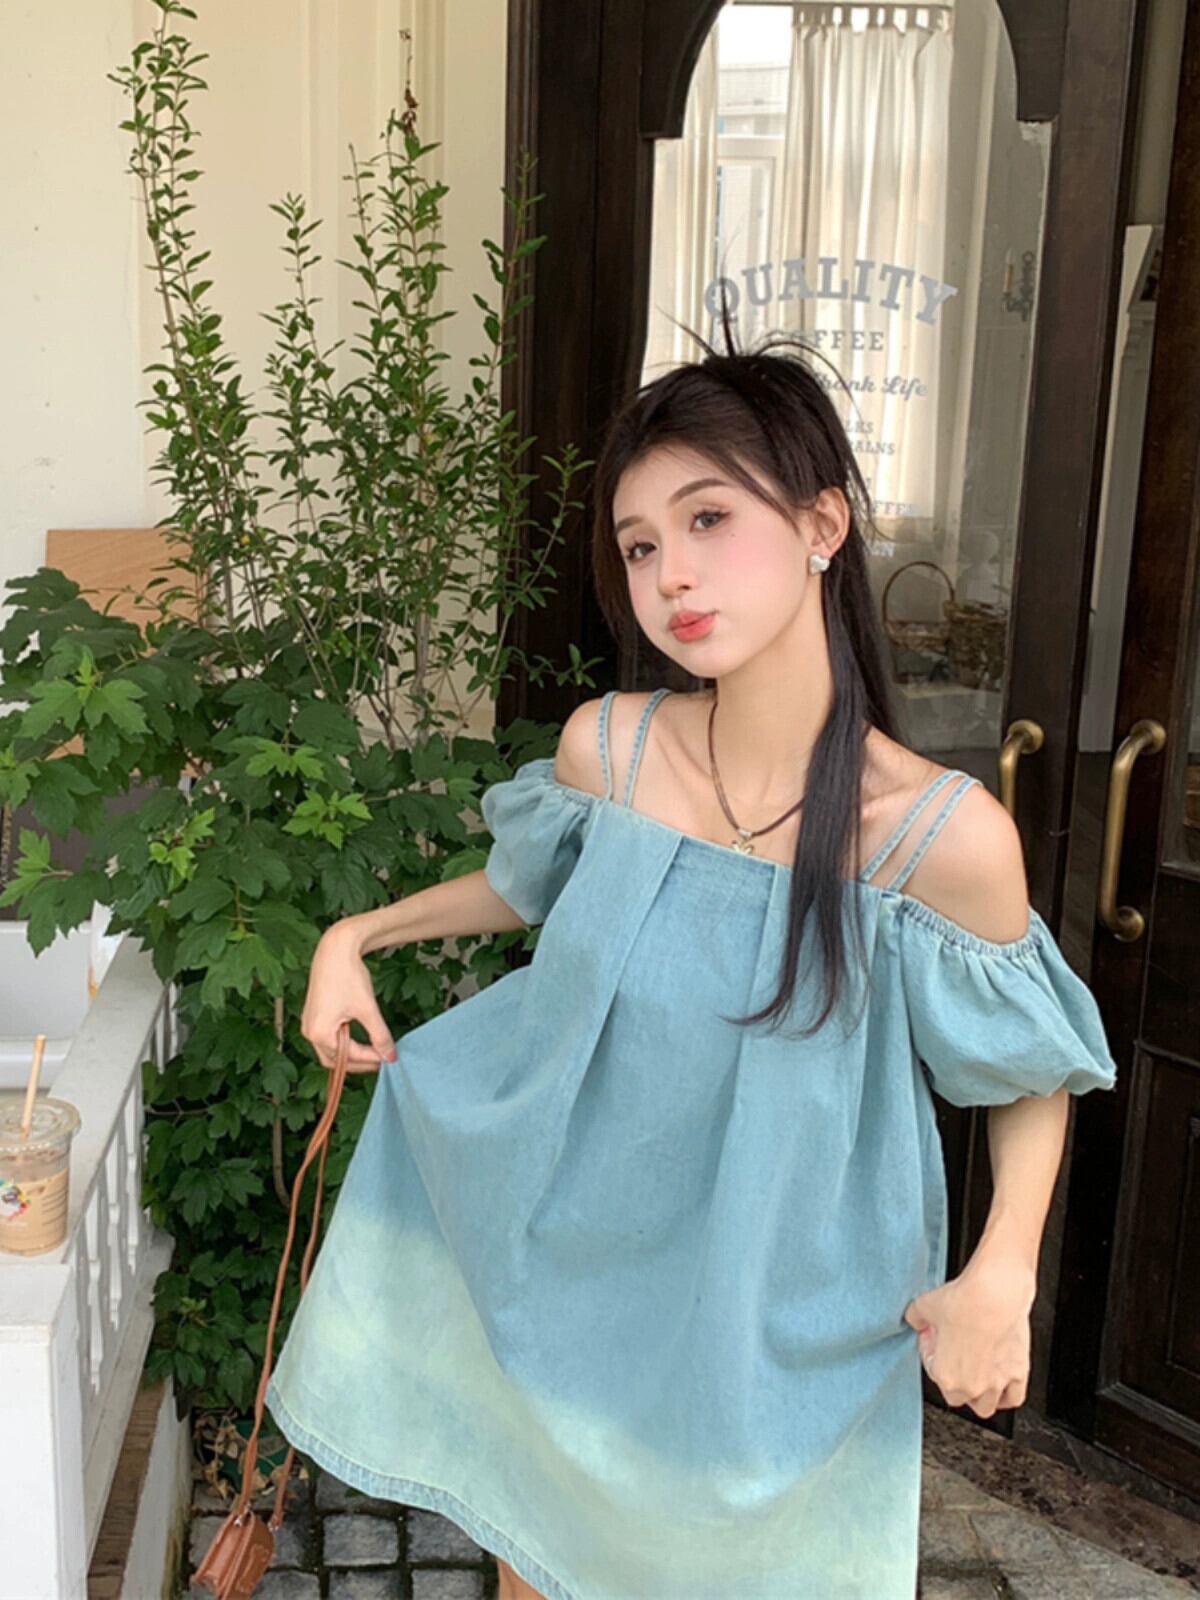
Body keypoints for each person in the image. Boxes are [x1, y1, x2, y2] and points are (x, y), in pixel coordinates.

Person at [263, 316, 1118, 1600]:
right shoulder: (609, 748)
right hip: (568, 1262)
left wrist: (1004, 1271)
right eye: (641, 544)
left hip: (765, 1318)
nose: (672, 574)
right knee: (539, 1566)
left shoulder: (938, 838)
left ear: (824, 524)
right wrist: (355, 935)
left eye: (710, 517)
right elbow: (528, 885)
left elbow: (1028, 1068)